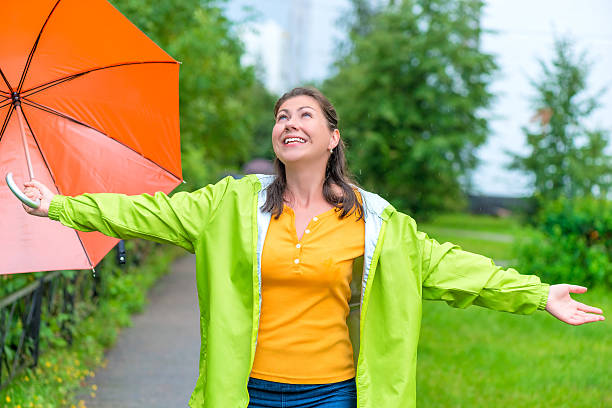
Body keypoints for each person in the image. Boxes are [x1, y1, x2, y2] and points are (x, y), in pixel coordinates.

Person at [22, 87, 604, 408]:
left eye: (305, 114)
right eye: (281, 116)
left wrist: (535, 293)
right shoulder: (230, 205)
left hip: (333, 396)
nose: (289, 122)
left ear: (332, 136)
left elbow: (449, 267)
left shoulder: (376, 222)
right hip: (243, 392)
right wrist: (59, 204)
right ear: (275, 138)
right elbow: (146, 212)